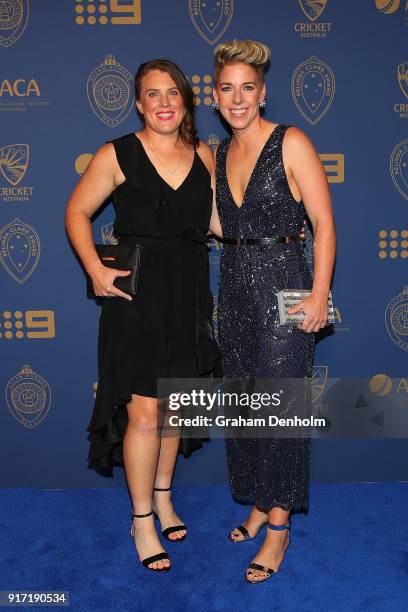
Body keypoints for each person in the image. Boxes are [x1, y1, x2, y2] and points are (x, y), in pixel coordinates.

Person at [65, 59, 221, 572]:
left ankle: (164, 497)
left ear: (186, 101)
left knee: (176, 407)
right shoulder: (117, 153)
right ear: (138, 102)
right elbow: (77, 211)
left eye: (172, 93)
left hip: (190, 293)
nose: (163, 103)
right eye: (152, 94)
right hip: (136, 296)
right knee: (145, 412)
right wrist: (94, 268)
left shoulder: (205, 154)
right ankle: (141, 520)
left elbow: (219, 222)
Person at [212, 40, 336, 583]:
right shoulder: (217, 154)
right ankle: (261, 502)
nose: (237, 98)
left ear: (262, 93)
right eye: (226, 89)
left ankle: (279, 527)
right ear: (214, 98)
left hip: (286, 281)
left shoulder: (292, 142)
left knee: (282, 409)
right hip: (234, 284)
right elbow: (222, 225)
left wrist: (318, 293)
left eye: (247, 88)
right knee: (244, 403)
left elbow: (325, 225)